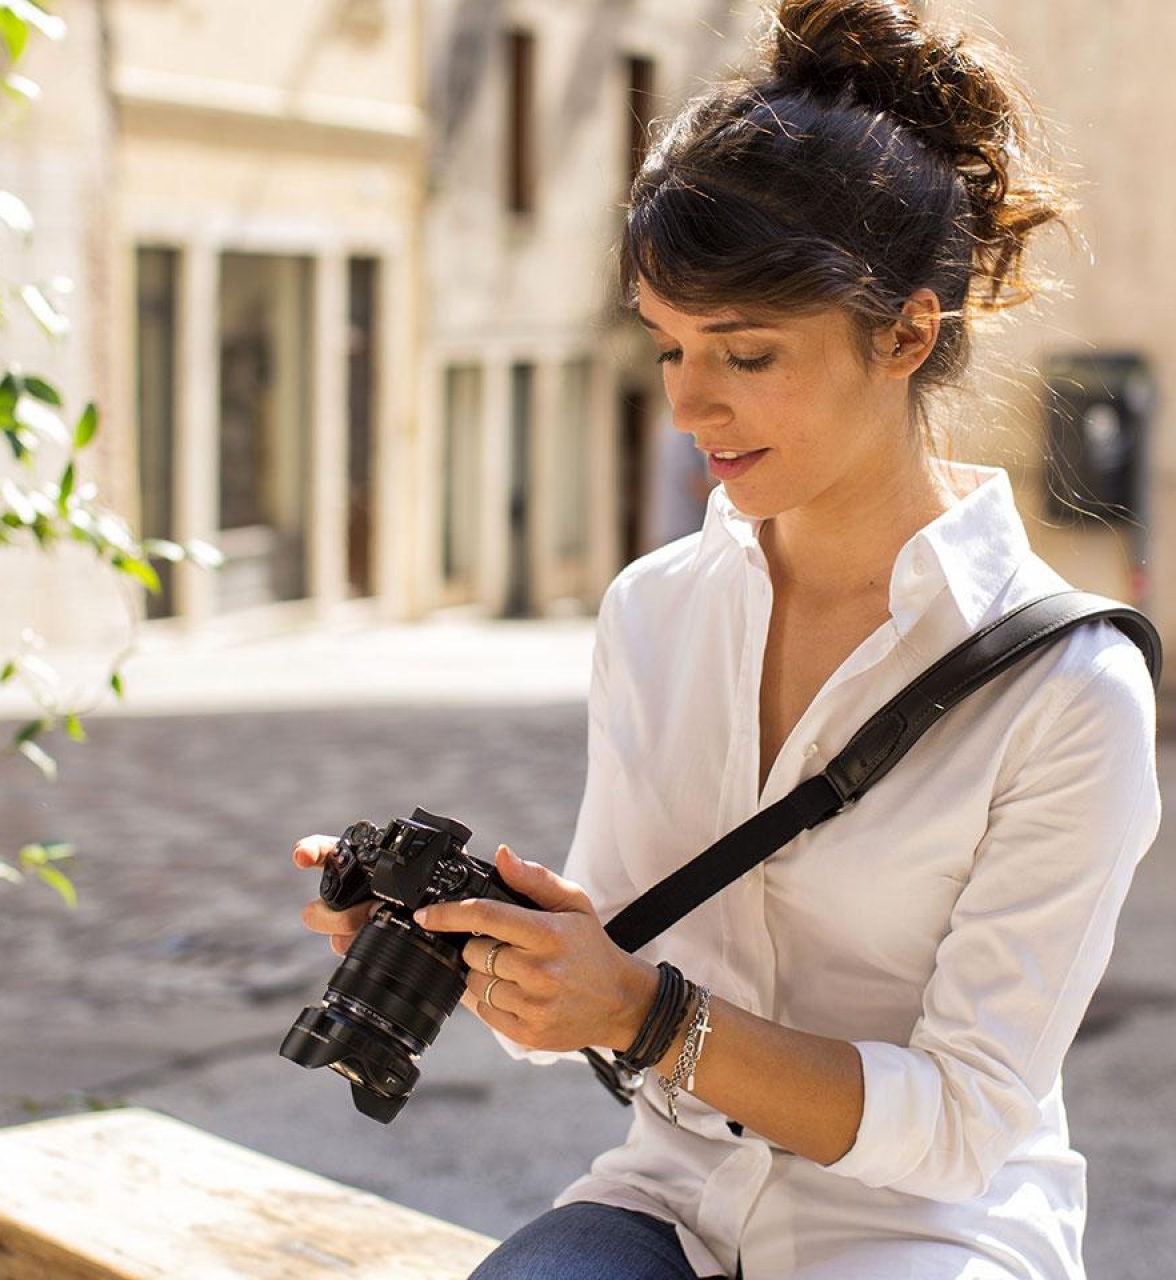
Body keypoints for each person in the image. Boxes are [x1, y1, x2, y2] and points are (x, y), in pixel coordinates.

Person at [294, 1, 1161, 1275]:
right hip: (668, 1196)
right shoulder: (656, 609)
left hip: (923, 1231)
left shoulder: (1068, 688)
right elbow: (587, 998)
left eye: (745, 355)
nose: (687, 403)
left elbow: (966, 1123)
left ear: (905, 333)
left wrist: (650, 1018)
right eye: (668, 347)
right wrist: (472, 948)